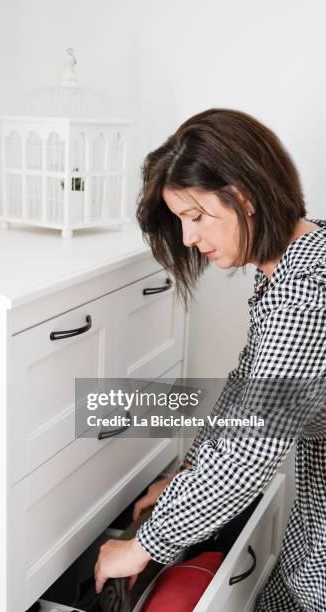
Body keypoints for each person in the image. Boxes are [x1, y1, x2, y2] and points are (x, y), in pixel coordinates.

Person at [94, 108, 326, 611]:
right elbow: (246, 390)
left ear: (243, 198)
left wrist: (141, 546)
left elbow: (248, 455)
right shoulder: (301, 259)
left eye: (196, 217)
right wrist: (190, 469)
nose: (188, 239)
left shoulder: (303, 295)